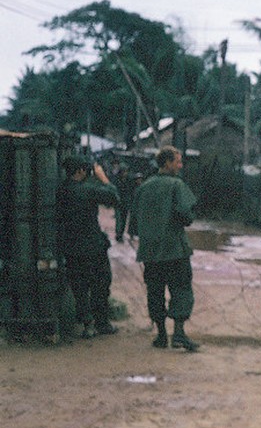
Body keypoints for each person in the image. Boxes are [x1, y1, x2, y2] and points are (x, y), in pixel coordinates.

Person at [128, 145, 200, 352]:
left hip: (150, 251)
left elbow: (133, 223)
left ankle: (161, 335)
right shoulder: (177, 185)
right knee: (181, 289)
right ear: (167, 163)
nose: (180, 165)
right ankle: (178, 333)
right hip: (175, 249)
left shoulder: (143, 187)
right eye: (177, 161)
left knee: (155, 291)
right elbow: (186, 216)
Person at [57, 154, 121, 338]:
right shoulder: (87, 190)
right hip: (92, 247)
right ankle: (101, 323)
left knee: (79, 287)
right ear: (81, 171)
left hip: (71, 248)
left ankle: (87, 323)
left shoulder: (62, 190)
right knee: (101, 284)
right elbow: (114, 198)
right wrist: (103, 177)